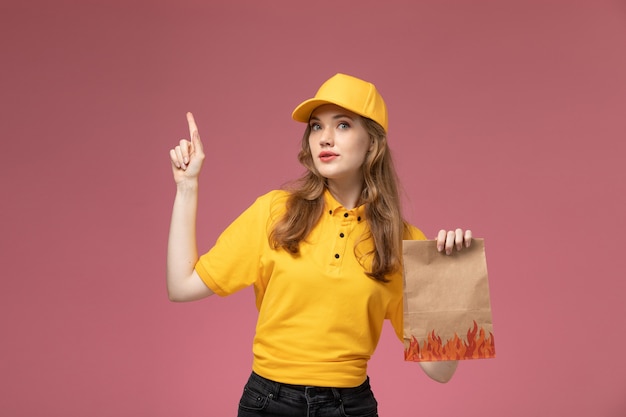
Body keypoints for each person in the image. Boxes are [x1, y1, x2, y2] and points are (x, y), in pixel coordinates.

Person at [167, 73, 473, 417]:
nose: (325, 138)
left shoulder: (402, 242)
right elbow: (181, 286)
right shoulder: (275, 212)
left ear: (372, 143)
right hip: (268, 403)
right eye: (316, 127)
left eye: (342, 125)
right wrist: (187, 186)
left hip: (350, 407)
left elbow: (440, 371)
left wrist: (453, 280)